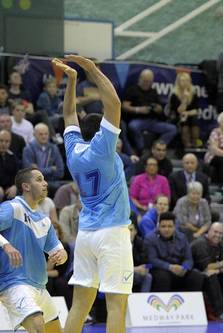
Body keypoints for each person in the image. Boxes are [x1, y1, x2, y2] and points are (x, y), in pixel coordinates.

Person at [53, 56, 133, 333]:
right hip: (112, 234)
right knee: (116, 306)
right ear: (102, 132)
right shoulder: (103, 148)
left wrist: (72, 81)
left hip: (86, 234)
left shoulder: (74, 151)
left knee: (79, 306)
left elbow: (68, 115)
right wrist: (91, 69)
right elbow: (114, 103)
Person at [0, 167, 67, 332]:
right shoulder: (12, 207)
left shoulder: (45, 220)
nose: (45, 183)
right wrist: (6, 245)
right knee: (38, 327)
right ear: (26, 186)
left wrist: (61, 255)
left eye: (44, 179)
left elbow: (58, 249)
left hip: (39, 287)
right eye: (39, 179)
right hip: (14, 283)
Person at [144, 212, 204, 292]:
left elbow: (188, 259)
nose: (166, 229)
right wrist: (170, 267)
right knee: (163, 277)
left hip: (179, 269)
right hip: (160, 269)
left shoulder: (182, 237)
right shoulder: (150, 238)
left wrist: (184, 268)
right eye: (163, 226)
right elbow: (152, 260)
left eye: (170, 226)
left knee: (196, 275)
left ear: (175, 227)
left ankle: (191, 303)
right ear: (158, 226)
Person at [190, 223, 223, 322]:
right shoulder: (200, 243)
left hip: (209, 272)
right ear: (209, 231)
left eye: (220, 233)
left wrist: (218, 268)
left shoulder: (221, 243)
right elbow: (206, 266)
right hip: (194, 274)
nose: (218, 235)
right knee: (211, 275)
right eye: (215, 232)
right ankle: (220, 312)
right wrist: (221, 264)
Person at [122, 69, 177, 150]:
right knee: (133, 127)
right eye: (145, 81)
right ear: (140, 79)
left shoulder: (153, 91)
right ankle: (142, 149)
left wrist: (158, 109)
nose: (147, 83)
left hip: (153, 121)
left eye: (149, 81)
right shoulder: (132, 90)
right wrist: (138, 109)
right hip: (137, 120)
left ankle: (157, 147)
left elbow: (160, 108)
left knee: (172, 129)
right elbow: (124, 106)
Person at [168, 72, 201, 148]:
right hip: (177, 117)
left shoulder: (193, 92)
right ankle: (187, 145)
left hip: (189, 115)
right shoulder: (174, 94)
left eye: (187, 80)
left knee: (195, 119)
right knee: (184, 120)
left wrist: (187, 113)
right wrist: (185, 99)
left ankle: (196, 143)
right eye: (183, 81)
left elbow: (196, 110)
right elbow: (179, 111)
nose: (185, 83)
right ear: (178, 82)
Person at [0, 130, 20, 202]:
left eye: (7, 141)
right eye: (1, 141)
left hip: (9, 187)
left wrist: (15, 186)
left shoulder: (12, 157)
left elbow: (17, 175)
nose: (4, 144)